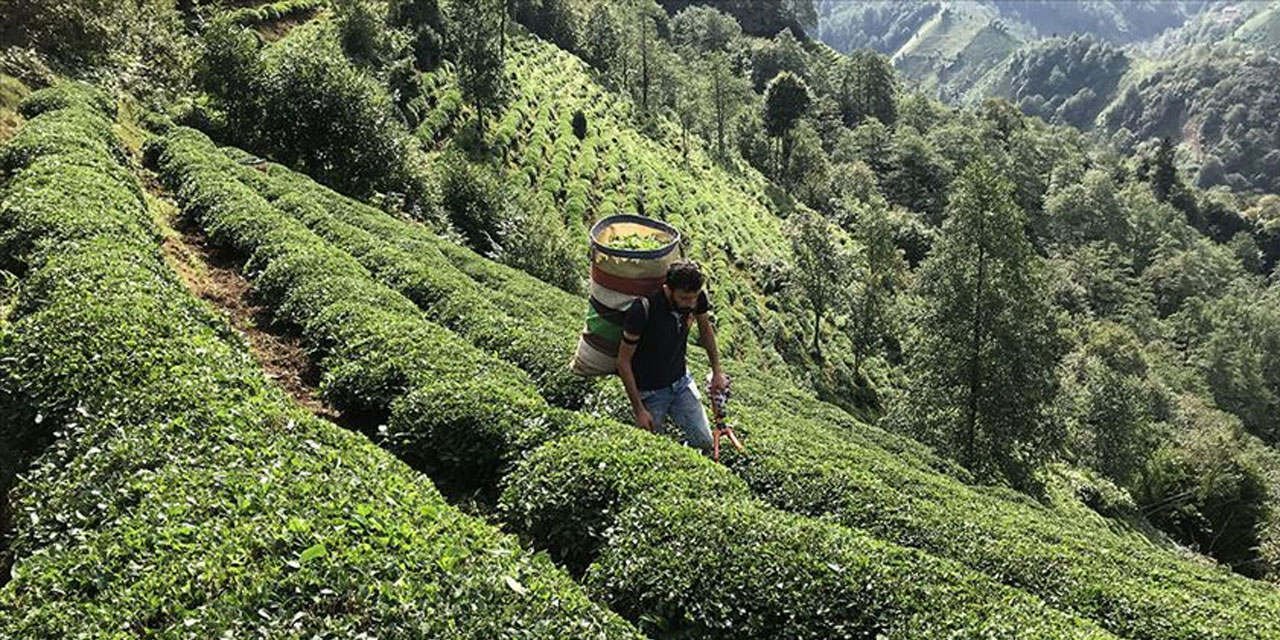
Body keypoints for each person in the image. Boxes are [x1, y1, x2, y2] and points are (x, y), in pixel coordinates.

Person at [616, 259, 727, 454]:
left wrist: (717, 371)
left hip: (681, 382)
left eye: (694, 297)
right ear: (668, 289)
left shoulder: (696, 298)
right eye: (684, 298)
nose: (690, 303)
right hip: (650, 391)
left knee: (704, 441)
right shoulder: (643, 309)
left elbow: (706, 330)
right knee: (650, 448)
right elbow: (623, 361)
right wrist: (639, 410)